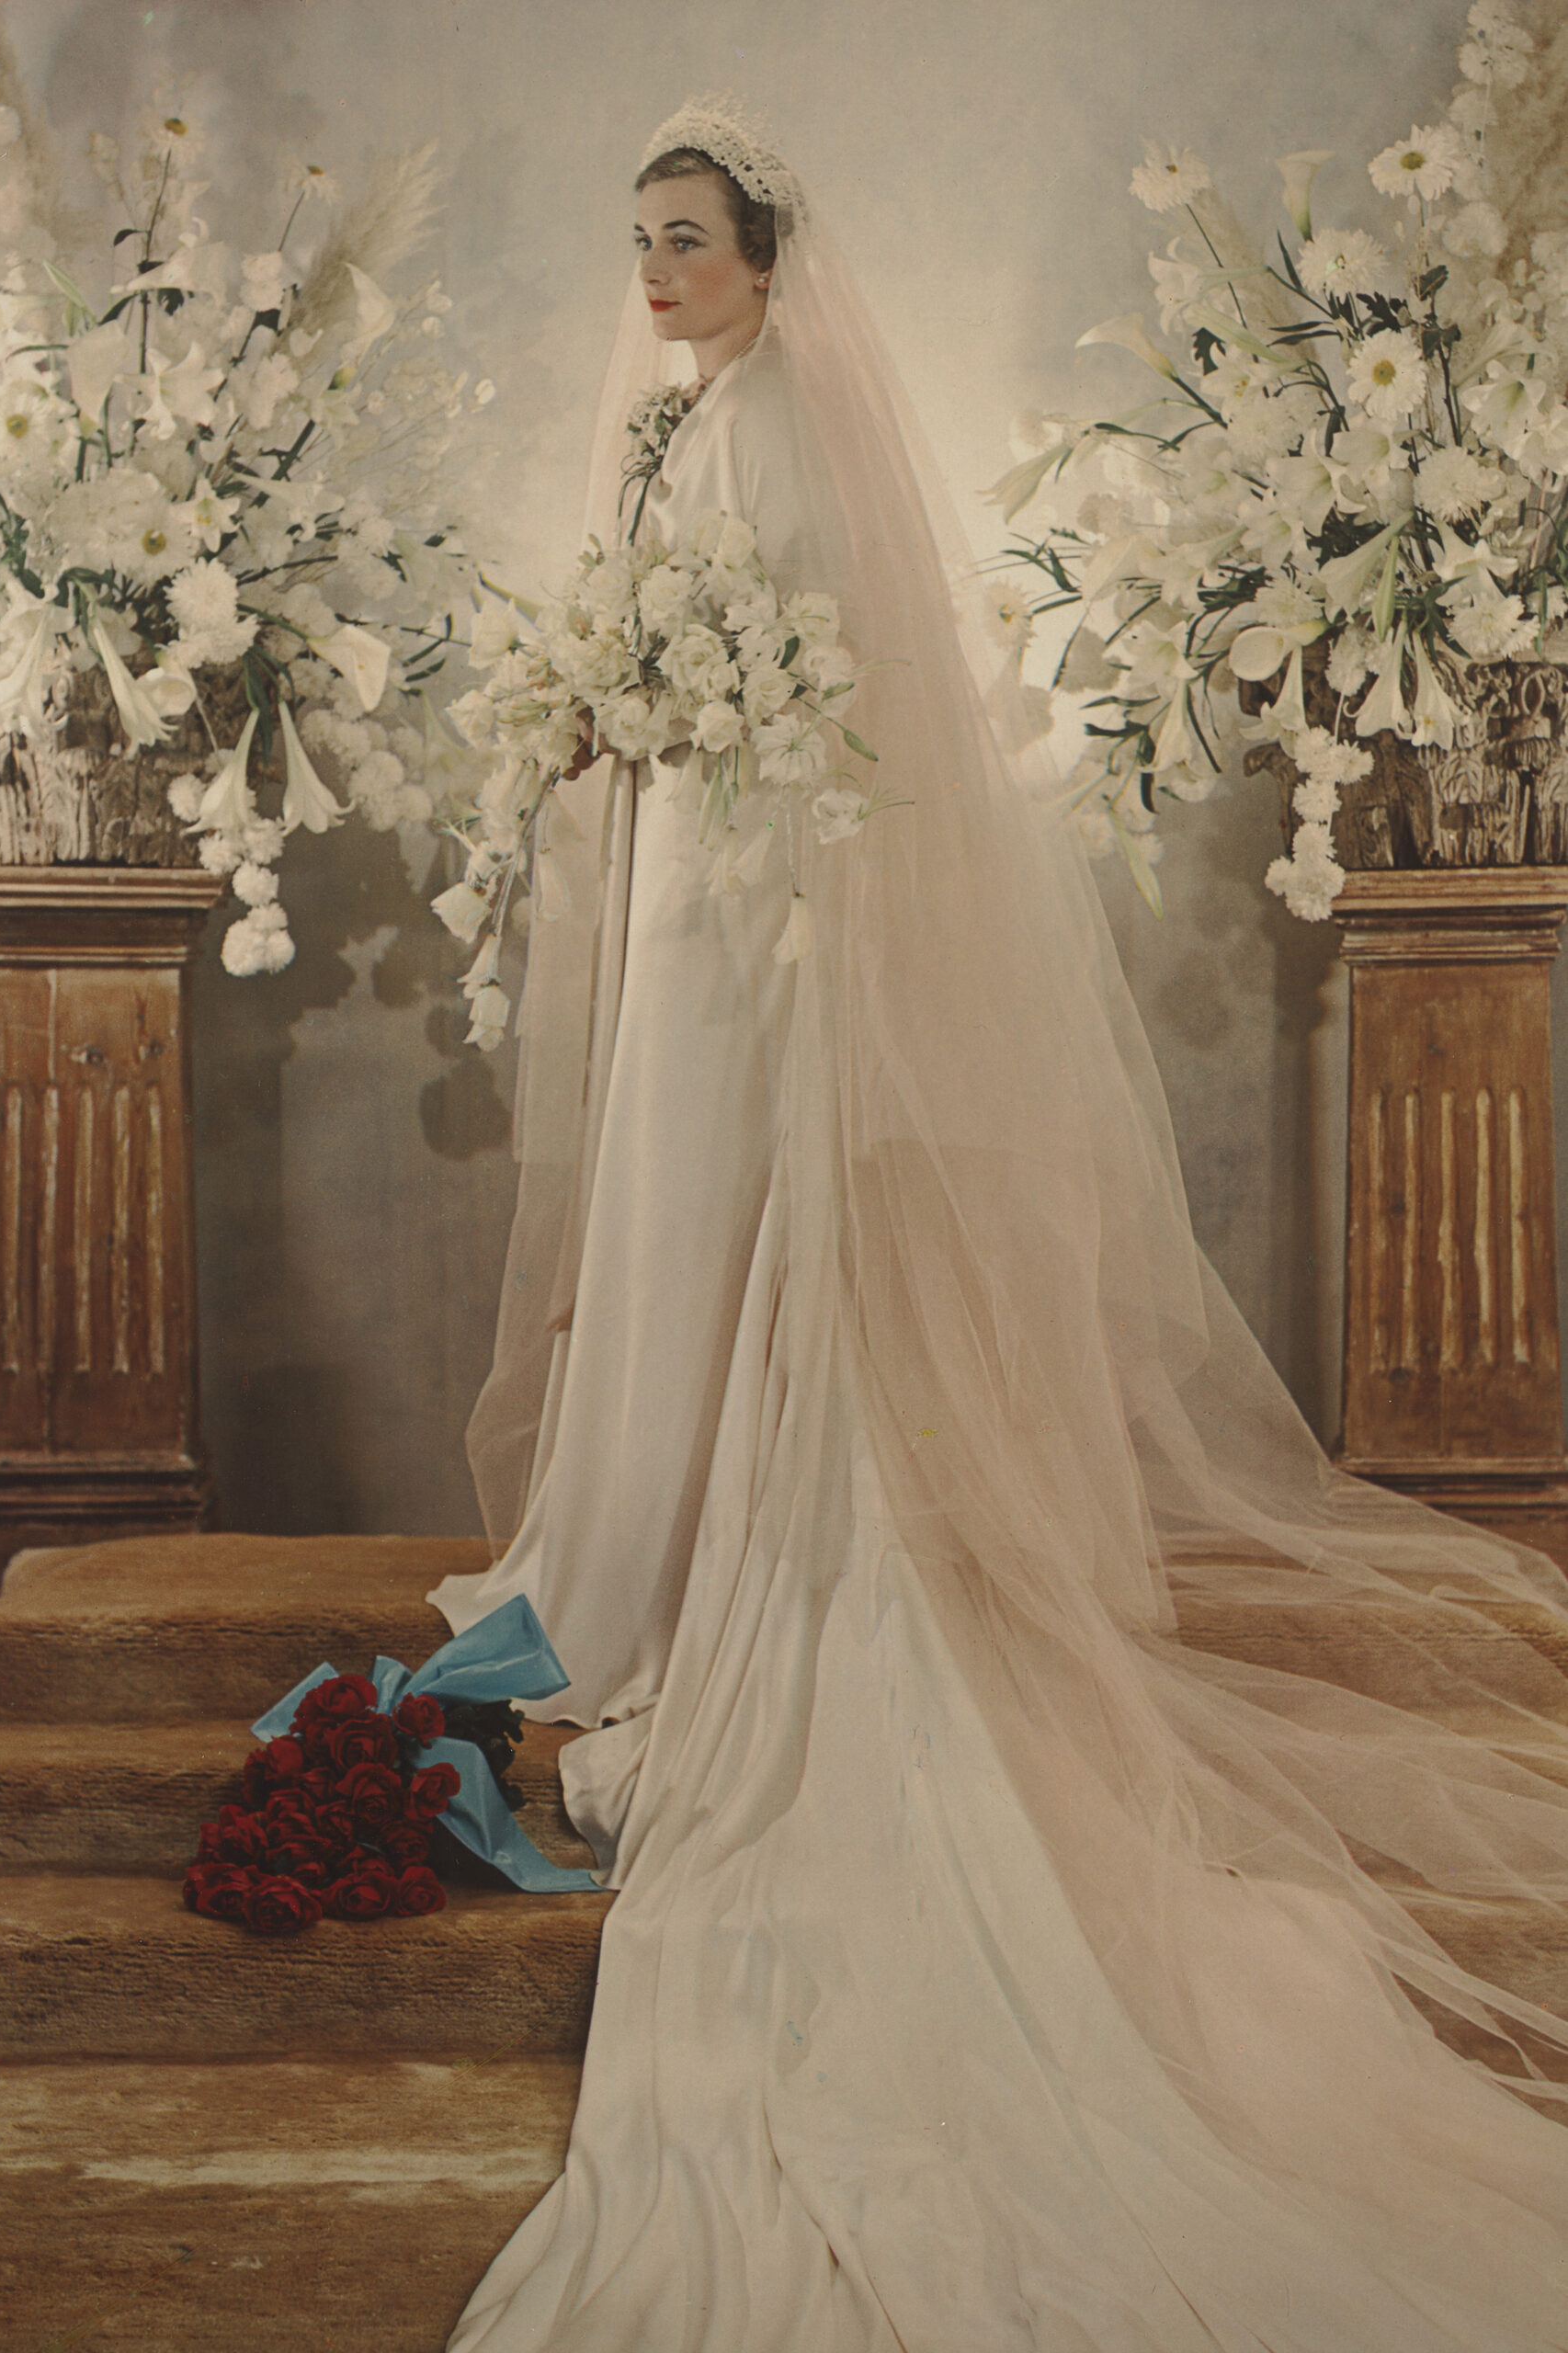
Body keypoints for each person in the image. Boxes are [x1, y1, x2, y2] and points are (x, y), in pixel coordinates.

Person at [430, 99, 1568, 2352]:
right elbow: (675, 653)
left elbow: (818, 676)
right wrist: (591, 707)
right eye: (640, 240)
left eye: (690, 241)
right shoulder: (680, 425)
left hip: (750, 908)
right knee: (654, 1223)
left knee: (711, 1222)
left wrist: (663, 701)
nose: (655, 274)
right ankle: (623, 1525)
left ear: (765, 255)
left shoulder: (770, 437)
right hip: (682, 872)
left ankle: (687, 1544)